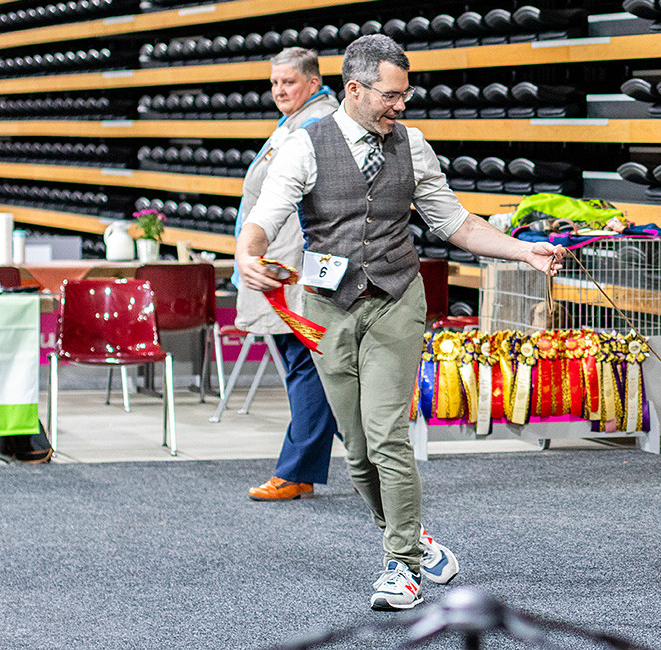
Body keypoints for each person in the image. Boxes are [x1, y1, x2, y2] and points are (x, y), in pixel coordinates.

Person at [236, 33, 564, 611]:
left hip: (396, 300)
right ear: (355, 90)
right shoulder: (304, 146)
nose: (402, 105)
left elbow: (454, 222)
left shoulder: (413, 146)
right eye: (391, 95)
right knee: (358, 450)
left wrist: (522, 251)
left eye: (405, 94)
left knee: (387, 433)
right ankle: (413, 536)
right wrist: (247, 254)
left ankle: (401, 565)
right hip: (327, 309)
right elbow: (264, 219)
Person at [232, 47, 342, 502]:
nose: (279, 90)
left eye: (288, 82)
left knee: (307, 368)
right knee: (312, 369)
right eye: (274, 83)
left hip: (293, 270)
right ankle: (367, 458)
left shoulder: (316, 126)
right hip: (276, 265)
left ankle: (296, 470)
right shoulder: (298, 122)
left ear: (313, 83)